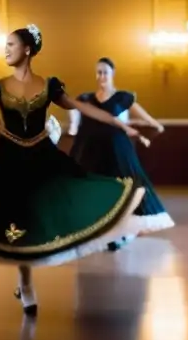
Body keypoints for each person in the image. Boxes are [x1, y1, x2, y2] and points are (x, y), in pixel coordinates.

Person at [0, 25, 148, 317]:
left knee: (37, 216)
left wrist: (119, 124)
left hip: (41, 156)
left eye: (11, 44)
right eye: (5, 45)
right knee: (14, 219)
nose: (5, 49)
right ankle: (25, 282)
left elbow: (82, 109)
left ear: (28, 50)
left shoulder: (49, 86)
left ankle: (26, 281)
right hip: (8, 160)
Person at [68, 57, 173, 247]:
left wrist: (155, 126)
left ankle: (123, 232)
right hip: (91, 151)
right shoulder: (86, 98)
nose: (101, 76)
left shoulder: (122, 97)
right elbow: (74, 113)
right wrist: (73, 126)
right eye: (98, 72)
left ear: (112, 74)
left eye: (105, 72)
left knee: (122, 188)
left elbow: (144, 116)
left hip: (117, 150)